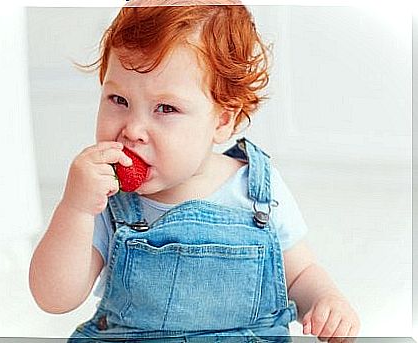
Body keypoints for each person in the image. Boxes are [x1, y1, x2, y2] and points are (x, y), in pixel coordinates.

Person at [28, 1, 360, 342]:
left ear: (222, 120)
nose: (133, 129)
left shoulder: (256, 189)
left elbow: (300, 273)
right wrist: (76, 208)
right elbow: (54, 298)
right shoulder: (106, 196)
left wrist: (326, 300)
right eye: (118, 100)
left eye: (166, 108)